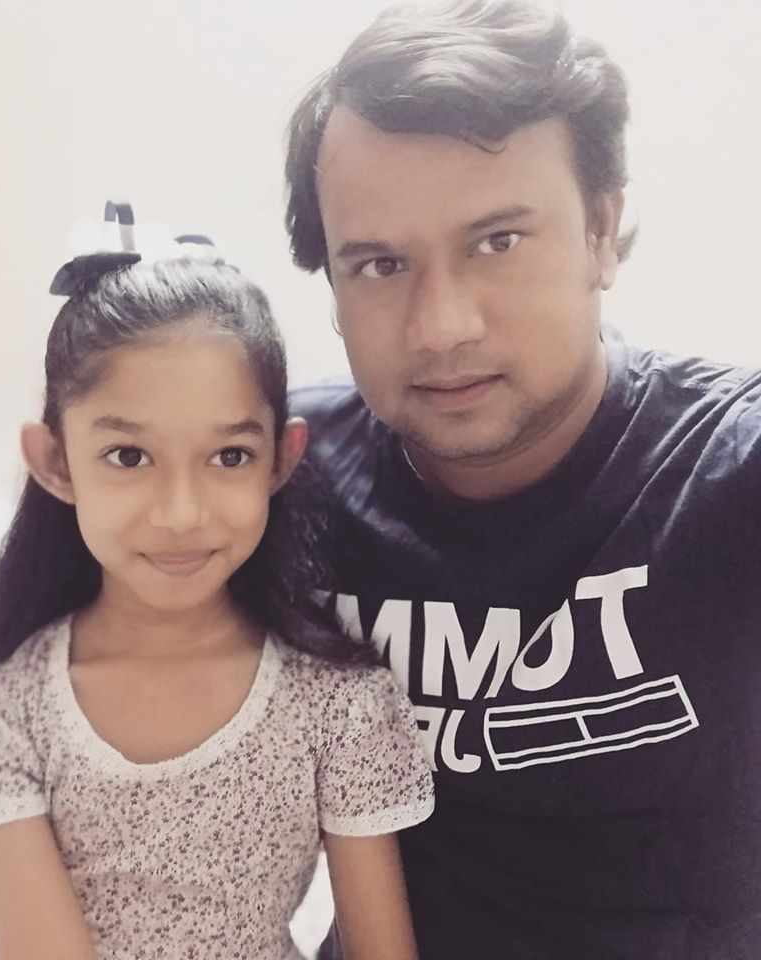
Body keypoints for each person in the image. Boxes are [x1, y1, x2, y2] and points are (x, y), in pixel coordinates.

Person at [284, 2, 761, 958]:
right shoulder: (276, 477)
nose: (441, 326)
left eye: (497, 242)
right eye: (380, 264)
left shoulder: (725, 470)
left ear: (600, 231)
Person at [0, 207, 434, 960]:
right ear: (55, 463)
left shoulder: (342, 707)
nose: (181, 514)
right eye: (129, 457)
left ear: (281, 458)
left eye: (230, 457)